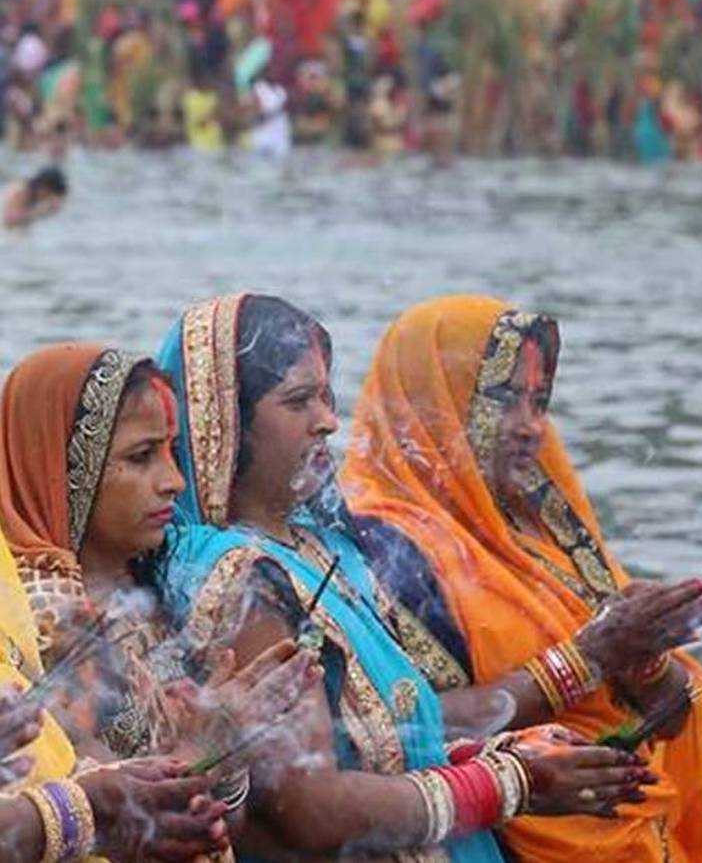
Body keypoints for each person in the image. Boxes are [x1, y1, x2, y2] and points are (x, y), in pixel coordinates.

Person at [152, 295, 656, 859]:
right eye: (297, 401)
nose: (328, 420)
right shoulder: (238, 575)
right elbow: (309, 810)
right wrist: (512, 783)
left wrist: (502, 754)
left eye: (326, 394)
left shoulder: (320, 544)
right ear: (226, 423)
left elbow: (381, 738)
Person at [342, 296, 702, 862]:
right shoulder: (379, 547)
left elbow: (666, 715)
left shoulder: (537, 524)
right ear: (431, 401)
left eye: (540, 402)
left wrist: (646, 657)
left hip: (631, 828)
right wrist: (588, 657)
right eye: (503, 400)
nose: (530, 427)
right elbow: (402, 728)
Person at [0, 343, 295, 860]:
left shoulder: (146, 595)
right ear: (64, 469)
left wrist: (223, 754)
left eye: (172, 453)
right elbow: (118, 815)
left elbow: (204, 824)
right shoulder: (44, 615)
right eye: (141, 457)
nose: (173, 482)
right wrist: (208, 749)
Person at [2, 166, 66, 230]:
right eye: (50, 194)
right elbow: (9, 221)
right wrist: (40, 211)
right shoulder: (22, 191)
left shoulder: (35, 192)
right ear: (43, 187)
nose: (49, 198)